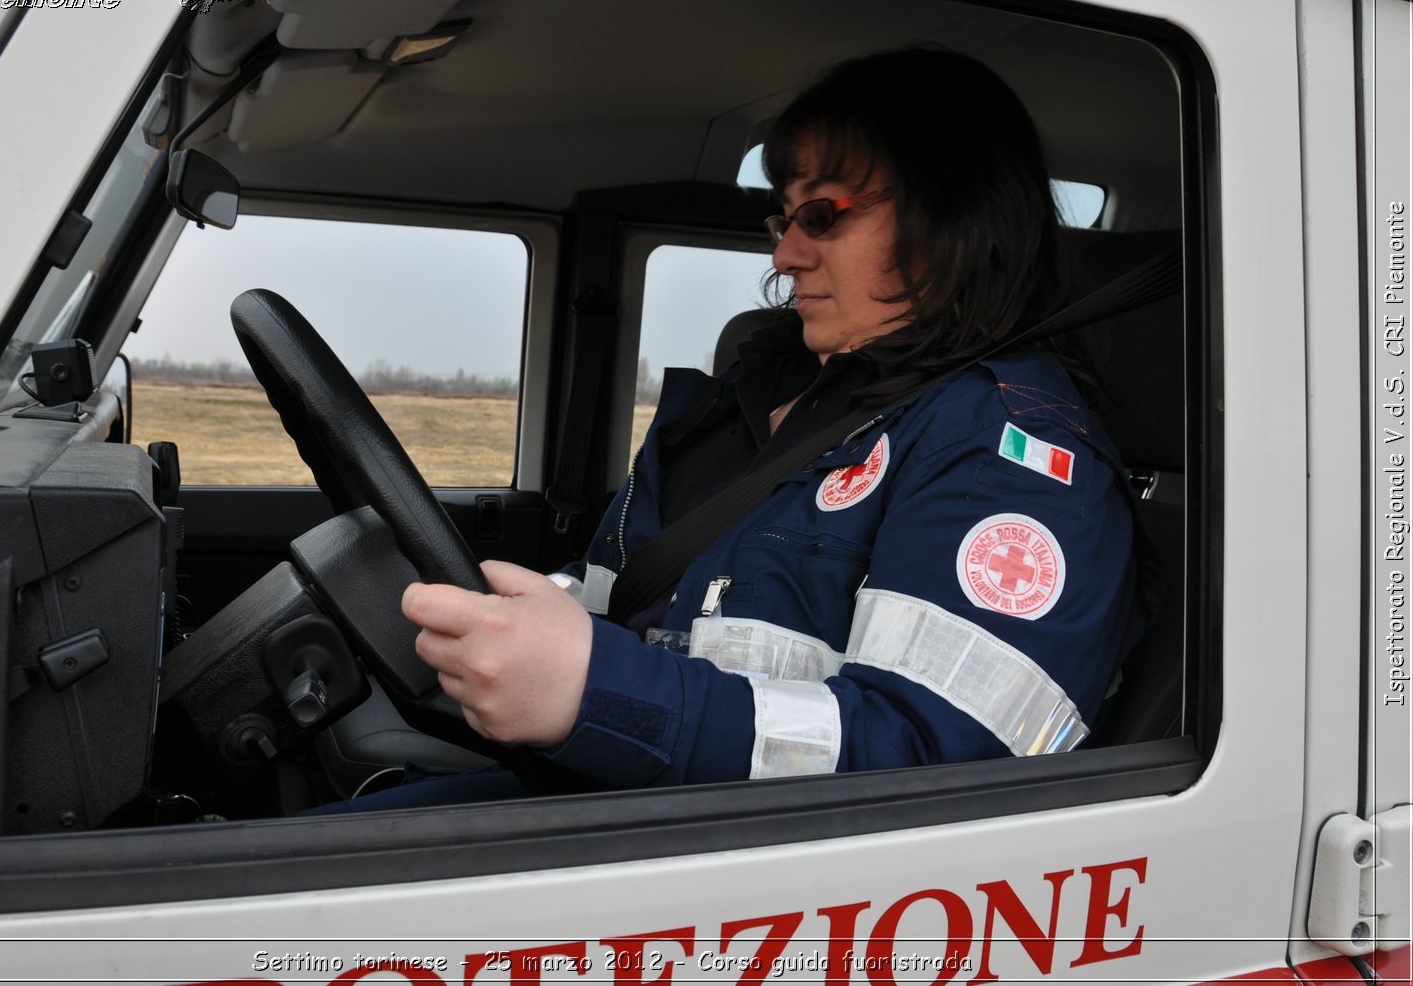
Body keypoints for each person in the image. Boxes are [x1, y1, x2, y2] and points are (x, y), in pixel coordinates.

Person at [393, 49, 1157, 797]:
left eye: (822, 215)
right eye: (785, 219)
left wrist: (600, 692)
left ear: (953, 214)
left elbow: (940, 765)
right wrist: (488, 627)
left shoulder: (1004, 451)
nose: (786, 253)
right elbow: (616, 597)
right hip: (616, 791)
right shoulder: (747, 405)